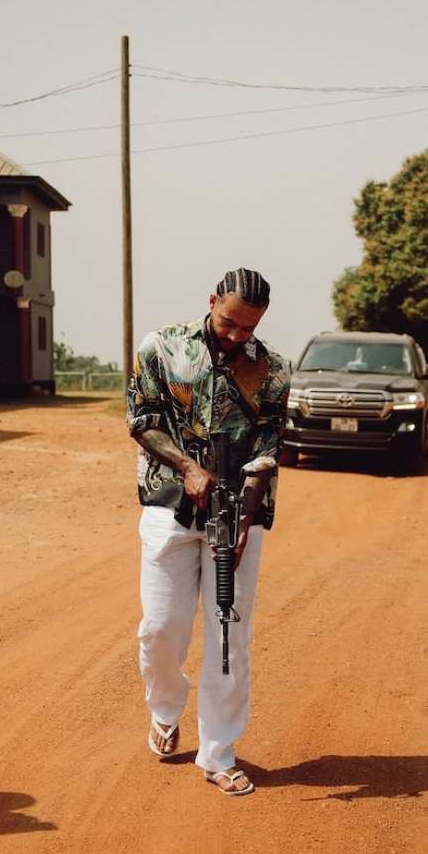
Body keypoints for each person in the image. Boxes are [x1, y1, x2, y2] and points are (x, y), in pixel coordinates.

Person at [126, 268, 290, 795]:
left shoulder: (272, 369)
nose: (238, 336)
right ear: (212, 301)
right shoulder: (161, 348)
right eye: (230, 323)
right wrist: (188, 468)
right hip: (168, 506)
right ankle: (165, 710)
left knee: (229, 639)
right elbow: (142, 419)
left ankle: (218, 752)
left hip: (237, 514)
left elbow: (269, 451)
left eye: (249, 328)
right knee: (160, 629)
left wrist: (243, 519)